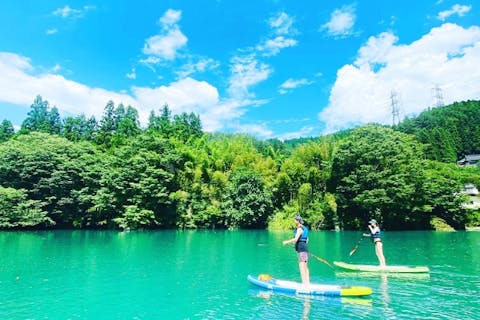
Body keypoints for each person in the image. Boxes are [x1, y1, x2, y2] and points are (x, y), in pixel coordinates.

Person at [282, 215, 310, 286]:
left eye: (295, 220)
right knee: (305, 266)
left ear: (298, 221)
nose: (294, 221)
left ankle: (304, 283)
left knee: (301, 266)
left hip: (301, 249)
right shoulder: (305, 228)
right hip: (305, 248)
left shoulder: (299, 229)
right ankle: (308, 283)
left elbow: (295, 239)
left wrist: (286, 242)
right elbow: (307, 240)